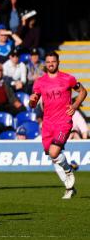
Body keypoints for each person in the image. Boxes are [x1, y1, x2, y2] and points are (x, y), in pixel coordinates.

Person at [29, 51, 87, 199]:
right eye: (48, 62)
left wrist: (74, 106)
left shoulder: (68, 78)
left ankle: (68, 171)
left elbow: (83, 92)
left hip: (63, 122)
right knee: (52, 156)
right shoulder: (40, 82)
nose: (50, 64)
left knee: (54, 153)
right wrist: (32, 101)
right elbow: (33, 103)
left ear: (58, 62)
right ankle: (69, 188)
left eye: (53, 62)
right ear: (45, 64)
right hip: (48, 123)